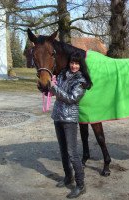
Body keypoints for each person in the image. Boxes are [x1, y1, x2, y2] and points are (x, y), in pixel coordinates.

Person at [49, 52, 92, 199]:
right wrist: (46, 86)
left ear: (81, 65)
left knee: (72, 153)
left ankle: (80, 185)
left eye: (77, 63)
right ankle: (68, 177)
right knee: (63, 151)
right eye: (72, 63)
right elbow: (53, 90)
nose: (74, 66)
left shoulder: (81, 81)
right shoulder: (61, 75)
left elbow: (71, 98)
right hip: (57, 116)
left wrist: (54, 88)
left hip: (69, 120)